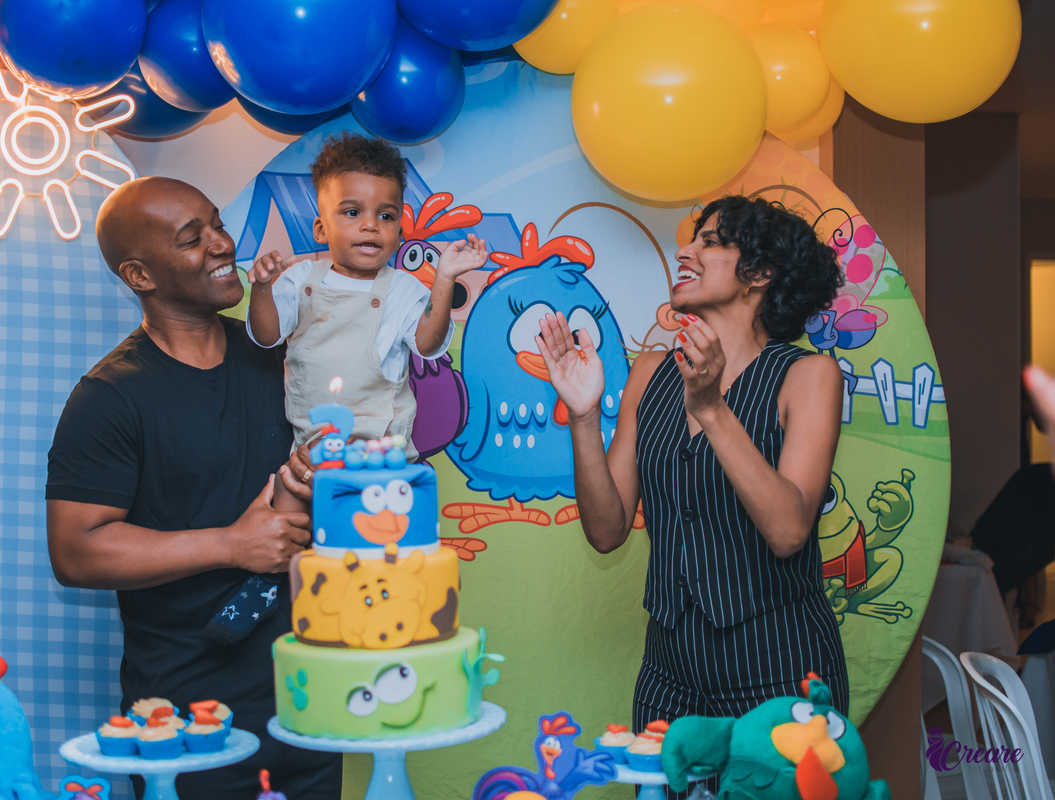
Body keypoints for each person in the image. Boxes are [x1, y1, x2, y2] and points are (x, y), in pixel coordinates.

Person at [45, 177, 341, 800]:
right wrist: (232, 544)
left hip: (310, 696)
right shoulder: (111, 397)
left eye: (215, 223)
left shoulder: (278, 357)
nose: (220, 244)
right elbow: (76, 551)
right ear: (139, 274)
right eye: (191, 238)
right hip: (189, 719)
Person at [535, 196, 850, 768]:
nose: (686, 250)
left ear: (757, 273)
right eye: (692, 238)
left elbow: (788, 531)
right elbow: (607, 531)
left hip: (779, 671)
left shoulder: (808, 376)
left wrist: (710, 409)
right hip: (669, 675)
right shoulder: (651, 371)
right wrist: (582, 417)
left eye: (710, 241)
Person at [207, 133, 487, 643]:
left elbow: (426, 344)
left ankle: (405, 605)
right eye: (352, 212)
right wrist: (263, 288)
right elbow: (266, 334)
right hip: (313, 447)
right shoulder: (301, 281)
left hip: (383, 450)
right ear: (321, 225)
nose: (369, 226)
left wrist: (443, 279)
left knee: (384, 535)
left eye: (385, 215)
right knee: (285, 511)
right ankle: (266, 585)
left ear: (400, 226)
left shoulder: (403, 289)